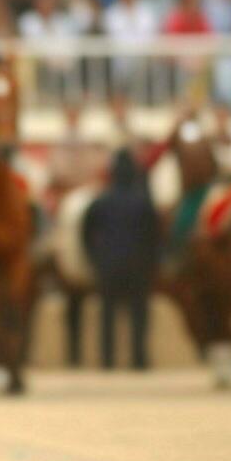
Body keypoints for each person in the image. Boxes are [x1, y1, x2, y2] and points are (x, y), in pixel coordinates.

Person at [82, 148, 162, 370]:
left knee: (107, 314)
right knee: (139, 314)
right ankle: (139, 359)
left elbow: (86, 233)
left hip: (108, 265)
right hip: (138, 266)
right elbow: (155, 236)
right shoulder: (144, 202)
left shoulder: (100, 202)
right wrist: (151, 262)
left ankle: (107, 360)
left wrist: (94, 258)